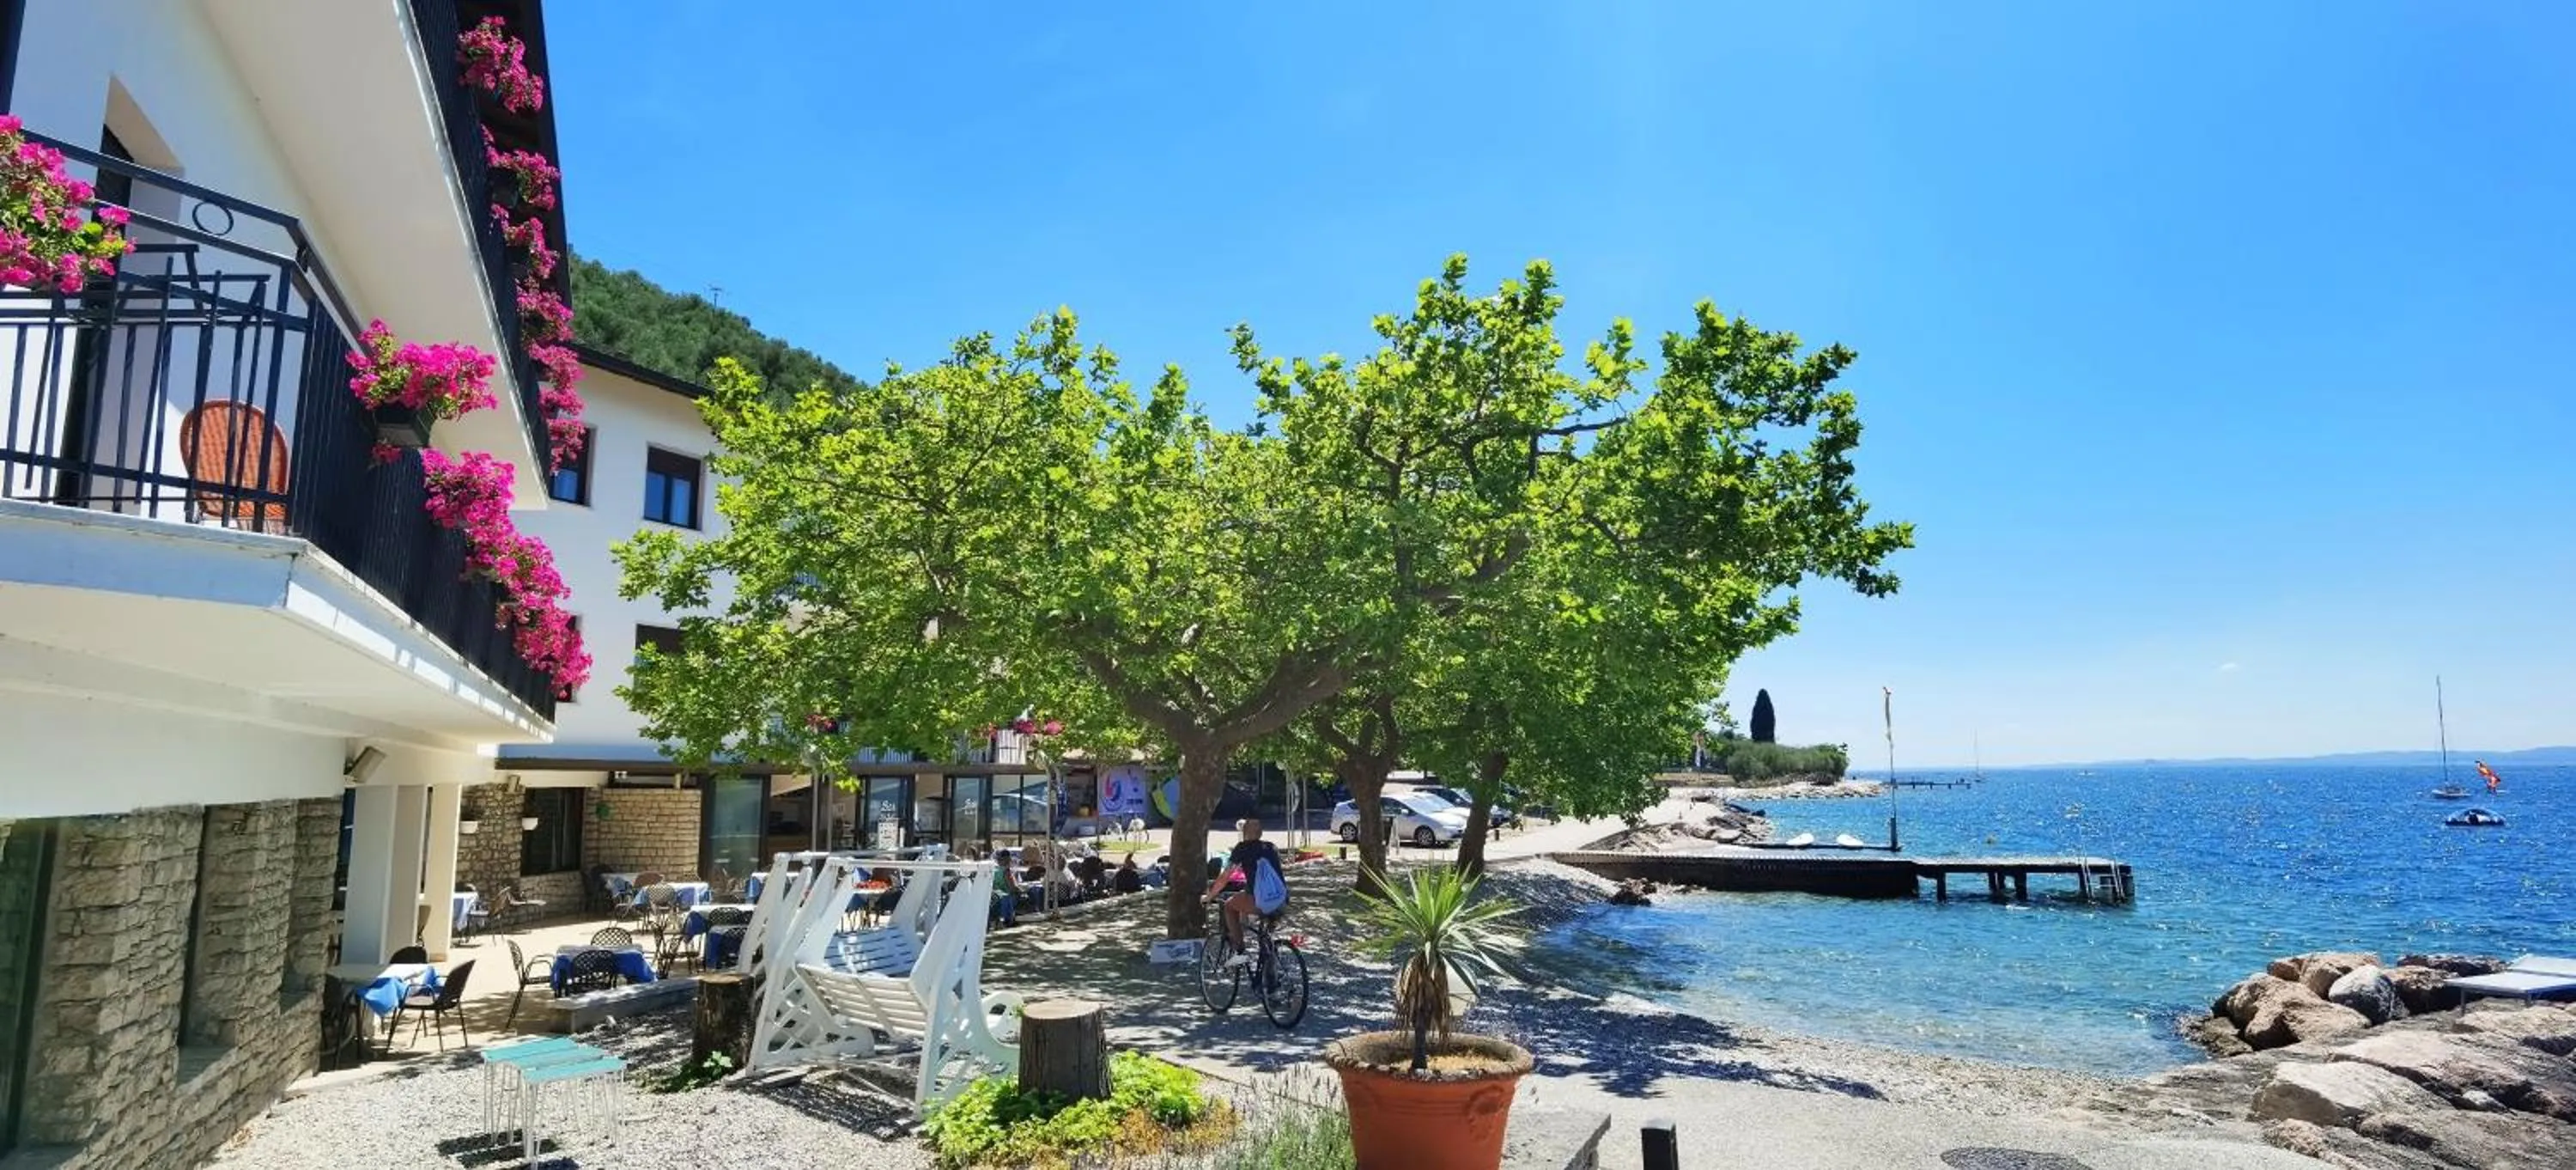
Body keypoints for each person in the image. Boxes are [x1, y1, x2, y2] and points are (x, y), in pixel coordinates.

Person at [1203, 820, 1285, 969]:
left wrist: (1210, 896)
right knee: (1264, 933)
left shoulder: (1242, 848)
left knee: (1229, 906)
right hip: (1281, 899)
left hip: (1261, 901)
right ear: (1260, 833)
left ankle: (1240, 952)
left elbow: (1225, 877)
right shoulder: (1270, 847)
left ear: (1244, 832)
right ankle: (1270, 967)